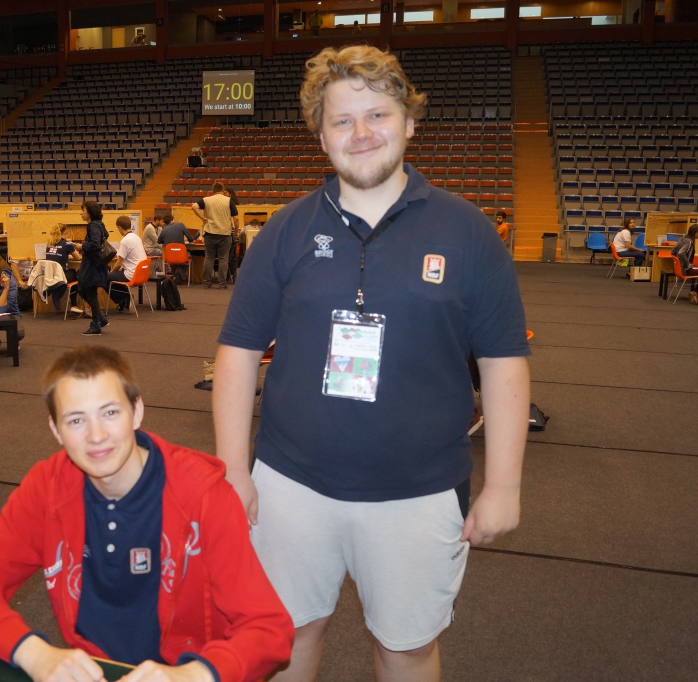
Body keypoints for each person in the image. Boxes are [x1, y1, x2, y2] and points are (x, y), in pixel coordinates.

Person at [213, 45, 531, 682]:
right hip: (290, 486)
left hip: (419, 493)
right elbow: (238, 352)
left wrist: (504, 485)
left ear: (409, 123)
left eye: (377, 115)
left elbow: (504, 364)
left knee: (406, 648)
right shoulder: (284, 231)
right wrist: (231, 469)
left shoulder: (468, 232)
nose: (360, 133)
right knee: (285, 636)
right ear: (321, 137)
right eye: (342, 120)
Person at [0, 346, 293, 681]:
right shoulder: (47, 488)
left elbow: (268, 628)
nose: (97, 436)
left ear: (136, 411)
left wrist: (195, 674)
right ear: (55, 430)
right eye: (76, 420)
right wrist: (35, 655)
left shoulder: (204, 496)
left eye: (110, 413)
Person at [191, 181, 238, 288]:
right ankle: (222, 283)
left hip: (210, 232)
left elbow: (194, 206)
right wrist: (236, 232)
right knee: (223, 259)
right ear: (223, 190)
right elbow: (236, 219)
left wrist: (202, 218)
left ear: (213, 191)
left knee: (209, 258)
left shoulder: (206, 200)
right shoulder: (229, 200)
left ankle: (207, 283)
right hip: (224, 234)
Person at [78, 201, 111, 336]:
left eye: (83, 210)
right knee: (85, 290)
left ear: (90, 212)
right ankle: (100, 318)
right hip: (96, 263)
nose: (81, 213)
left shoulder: (93, 225)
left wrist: (82, 246)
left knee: (88, 292)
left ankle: (96, 323)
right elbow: (105, 236)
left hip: (92, 264)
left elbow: (95, 244)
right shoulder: (99, 224)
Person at [107, 215, 146, 312]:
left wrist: (111, 272)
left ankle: (124, 298)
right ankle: (125, 299)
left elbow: (118, 263)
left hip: (131, 274)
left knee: (104, 277)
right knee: (115, 275)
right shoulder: (137, 237)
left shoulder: (125, 241)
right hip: (141, 274)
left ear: (120, 228)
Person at [44, 222, 82, 314]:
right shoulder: (67, 244)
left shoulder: (49, 244)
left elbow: (58, 254)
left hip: (49, 275)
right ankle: (74, 305)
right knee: (76, 275)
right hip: (61, 275)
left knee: (71, 274)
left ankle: (55, 289)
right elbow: (78, 257)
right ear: (64, 232)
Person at [157, 212, 195, 284]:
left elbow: (159, 241)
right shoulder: (180, 225)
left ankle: (175, 275)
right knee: (190, 255)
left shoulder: (164, 230)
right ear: (173, 219)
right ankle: (180, 271)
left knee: (174, 259)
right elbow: (191, 239)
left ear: (165, 222)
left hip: (170, 256)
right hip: (181, 255)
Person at [671, 223, 698, 304]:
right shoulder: (689, 242)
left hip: (680, 269)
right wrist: (687, 264)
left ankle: (695, 292)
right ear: (695, 232)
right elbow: (681, 253)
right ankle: (695, 292)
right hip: (686, 270)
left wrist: (678, 263)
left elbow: (673, 251)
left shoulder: (683, 239)